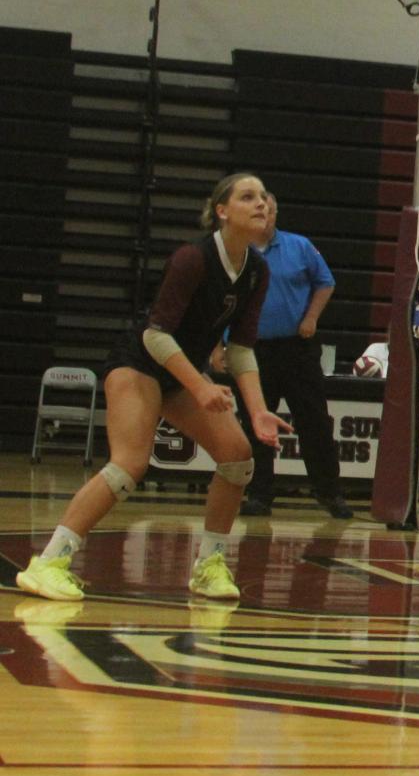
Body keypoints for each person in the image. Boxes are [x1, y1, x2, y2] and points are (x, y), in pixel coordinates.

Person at [16, 174, 290, 603]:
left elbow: (239, 351)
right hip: (138, 363)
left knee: (237, 458)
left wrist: (256, 410)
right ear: (221, 210)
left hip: (177, 374)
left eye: (265, 199)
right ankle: (49, 561)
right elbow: (155, 336)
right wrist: (200, 386)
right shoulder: (192, 259)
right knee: (129, 464)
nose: (262, 204)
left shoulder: (257, 271)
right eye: (248, 197)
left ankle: (208, 568)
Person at [227, 189, 347, 520]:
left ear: (275, 215)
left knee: (315, 421)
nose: (263, 215)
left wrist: (311, 317)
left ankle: (329, 492)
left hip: (297, 349)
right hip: (252, 351)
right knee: (257, 424)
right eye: (257, 210)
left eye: (268, 211)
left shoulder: (299, 246)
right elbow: (222, 298)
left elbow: (326, 282)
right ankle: (260, 495)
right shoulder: (236, 251)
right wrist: (219, 344)